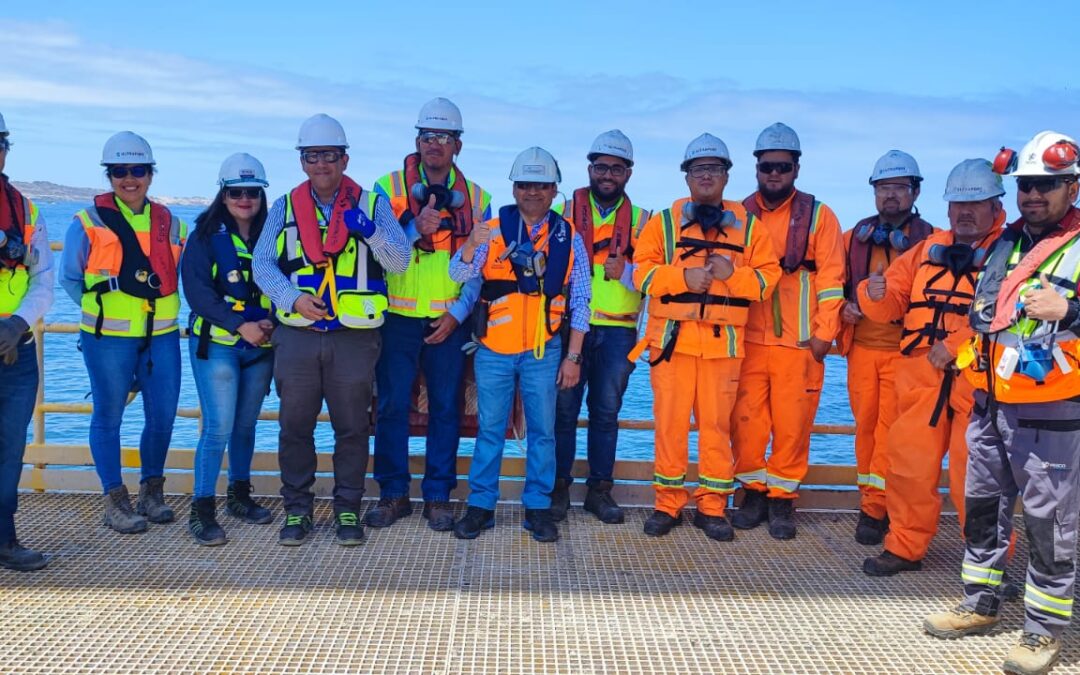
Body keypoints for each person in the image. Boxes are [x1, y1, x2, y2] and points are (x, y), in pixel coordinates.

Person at [924, 131, 1080, 675]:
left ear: (1071, 187)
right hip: (990, 402)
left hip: (1051, 410)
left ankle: (1041, 632)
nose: (1033, 195)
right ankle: (980, 603)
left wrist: (1071, 309)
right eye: (1026, 186)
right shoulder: (1006, 243)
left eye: (1046, 186)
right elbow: (990, 320)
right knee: (984, 510)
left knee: (1048, 521)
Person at [252, 114, 409, 547]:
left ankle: (347, 510)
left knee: (353, 427)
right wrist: (292, 299)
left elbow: (399, 262)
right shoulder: (284, 207)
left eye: (328, 155)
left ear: (344, 158)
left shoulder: (373, 204)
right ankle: (297, 511)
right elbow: (262, 264)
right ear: (302, 161)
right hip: (299, 334)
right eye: (312, 156)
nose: (320, 164)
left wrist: (371, 233)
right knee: (294, 426)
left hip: (354, 338)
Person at [857, 159, 1004, 576]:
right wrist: (874, 292)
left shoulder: (1010, 252)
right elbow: (891, 307)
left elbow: (1008, 312)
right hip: (920, 374)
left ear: (997, 205)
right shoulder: (925, 249)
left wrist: (956, 346)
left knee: (974, 474)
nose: (965, 212)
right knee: (907, 466)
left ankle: (987, 560)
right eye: (958, 203)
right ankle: (904, 546)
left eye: (975, 203)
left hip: (978, 379)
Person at [632, 134, 780, 540]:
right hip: (672, 344)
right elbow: (640, 273)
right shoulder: (662, 223)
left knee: (716, 428)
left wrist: (733, 276)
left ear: (727, 177)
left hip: (723, 347)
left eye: (715, 169)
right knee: (670, 426)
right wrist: (681, 276)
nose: (707, 176)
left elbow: (768, 280)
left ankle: (713, 507)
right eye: (699, 170)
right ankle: (668, 504)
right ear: (687, 177)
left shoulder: (751, 228)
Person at [448, 147, 590, 543]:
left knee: (543, 432)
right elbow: (458, 272)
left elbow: (581, 300)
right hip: (494, 349)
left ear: (553, 189)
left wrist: (574, 356)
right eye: (525, 185)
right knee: (490, 429)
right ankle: (480, 506)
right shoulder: (490, 230)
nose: (532, 193)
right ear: (514, 187)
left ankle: (539, 508)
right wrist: (472, 244)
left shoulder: (569, 237)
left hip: (544, 352)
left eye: (541, 186)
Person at [367, 98, 491, 532]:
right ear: (415, 140)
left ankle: (438, 496)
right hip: (396, 318)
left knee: (446, 408)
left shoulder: (479, 198)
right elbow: (375, 253)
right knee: (391, 406)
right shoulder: (385, 189)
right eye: (426, 136)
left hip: (448, 321)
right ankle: (392, 493)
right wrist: (410, 228)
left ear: (458, 145)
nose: (433, 144)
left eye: (443, 137)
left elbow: (481, 265)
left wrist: (458, 314)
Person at [60, 132, 186, 534]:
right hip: (108, 338)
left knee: (163, 416)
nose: (128, 179)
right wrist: (104, 310)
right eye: (119, 171)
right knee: (109, 416)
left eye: (137, 171)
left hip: (162, 335)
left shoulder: (173, 223)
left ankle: (152, 492)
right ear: (109, 175)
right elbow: (70, 278)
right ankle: (115, 500)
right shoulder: (88, 222)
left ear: (150, 174)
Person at [731, 122, 845, 540]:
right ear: (756, 168)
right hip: (746, 341)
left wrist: (823, 335)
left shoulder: (820, 216)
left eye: (782, 167)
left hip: (799, 344)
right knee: (745, 423)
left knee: (794, 426)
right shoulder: (738, 214)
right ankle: (752, 492)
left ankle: (782, 500)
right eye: (766, 167)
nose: (773, 174)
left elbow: (833, 279)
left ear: (796, 168)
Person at [551, 129, 650, 524]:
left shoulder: (645, 221)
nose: (608, 174)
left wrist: (628, 271)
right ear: (590, 169)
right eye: (601, 166)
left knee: (606, 413)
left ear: (629, 172)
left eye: (617, 168)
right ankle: (558, 488)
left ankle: (599, 491)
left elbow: (656, 275)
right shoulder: (564, 211)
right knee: (562, 412)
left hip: (618, 331)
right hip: (568, 327)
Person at [840, 150, 935, 545]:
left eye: (898, 187)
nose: (890, 196)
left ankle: (883, 509)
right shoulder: (852, 238)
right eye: (883, 188)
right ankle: (871, 503)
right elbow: (832, 285)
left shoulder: (933, 242)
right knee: (866, 429)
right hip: (861, 348)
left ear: (914, 191)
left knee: (895, 435)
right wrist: (841, 308)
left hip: (907, 353)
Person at [181, 153, 276, 546]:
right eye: (236, 191)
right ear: (223, 194)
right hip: (219, 346)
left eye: (252, 192)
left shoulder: (274, 233)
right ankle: (202, 510)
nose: (244, 199)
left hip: (261, 348)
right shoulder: (204, 237)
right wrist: (242, 325)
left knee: (246, 425)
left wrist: (272, 322)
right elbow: (199, 293)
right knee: (217, 426)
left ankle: (239, 495)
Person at [0, 112, 54, 570]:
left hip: (14, 352)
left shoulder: (27, 212)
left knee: (10, 449)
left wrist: (18, 323)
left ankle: (5, 538)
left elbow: (43, 280)